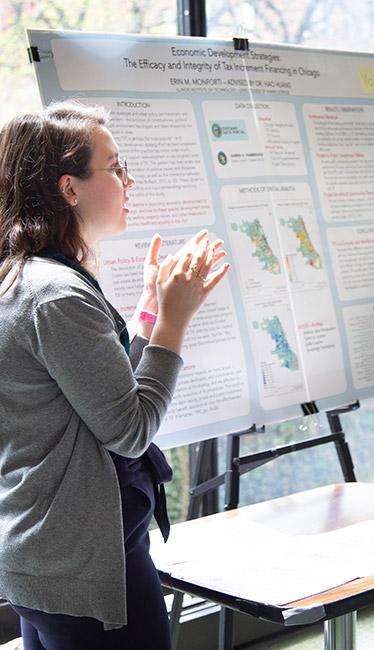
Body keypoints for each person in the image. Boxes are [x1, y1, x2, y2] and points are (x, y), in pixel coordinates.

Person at [0, 101, 230, 649]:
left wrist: (150, 312)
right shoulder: (55, 295)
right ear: (69, 189)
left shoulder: (30, 276)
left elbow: (99, 393)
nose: (130, 179)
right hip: (77, 558)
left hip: (51, 551)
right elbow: (129, 427)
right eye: (116, 166)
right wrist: (175, 321)